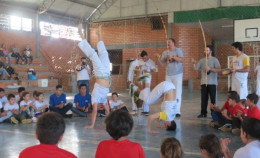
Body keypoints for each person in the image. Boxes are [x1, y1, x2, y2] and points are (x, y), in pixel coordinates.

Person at [78, 24, 110, 129]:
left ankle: (81, 34)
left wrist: (92, 125)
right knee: (104, 53)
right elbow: (107, 110)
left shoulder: (94, 98)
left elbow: (95, 111)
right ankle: (99, 33)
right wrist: (108, 123)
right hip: (106, 73)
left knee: (93, 54)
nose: (99, 105)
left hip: (100, 73)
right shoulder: (104, 100)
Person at [192, 45, 221, 118]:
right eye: (204, 50)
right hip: (204, 82)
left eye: (207, 50)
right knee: (204, 98)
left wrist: (210, 68)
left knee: (213, 99)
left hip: (212, 82)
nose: (205, 51)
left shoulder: (215, 60)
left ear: (211, 51)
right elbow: (195, 68)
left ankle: (213, 112)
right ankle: (203, 112)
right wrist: (193, 63)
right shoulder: (202, 60)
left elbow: (219, 69)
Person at [157, 38, 184, 117]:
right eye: (167, 43)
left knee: (177, 92)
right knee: (168, 91)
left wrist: (173, 56)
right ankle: (169, 109)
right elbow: (162, 64)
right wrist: (158, 58)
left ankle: (177, 111)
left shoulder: (178, 50)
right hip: (168, 75)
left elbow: (182, 59)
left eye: (169, 42)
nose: (168, 44)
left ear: (173, 43)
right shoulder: (165, 52)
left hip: (177, 74)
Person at [139, 50, 156, 115]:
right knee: (142, 92)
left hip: (147, 78)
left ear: (147, 56)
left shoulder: (151, 62)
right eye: (142, 58)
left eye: (145, 58)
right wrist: (139, 68)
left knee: (146, 92)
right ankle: (144, 109)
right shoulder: (140, 61)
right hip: (141, 78)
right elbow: (137, 69)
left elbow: (153, 72)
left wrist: (147, 71)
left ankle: (146, 110)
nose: (144, 59)